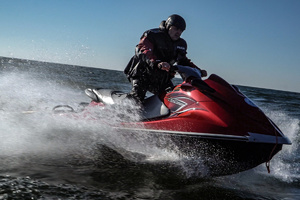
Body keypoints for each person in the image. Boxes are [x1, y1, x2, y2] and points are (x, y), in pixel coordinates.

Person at [124, 14, 207, 103]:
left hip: (161, 77)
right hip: (142, 73)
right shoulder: (152, 35)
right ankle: (118, 111)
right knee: (137, 97)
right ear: (168, 26)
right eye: (175, 28)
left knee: (172, 98)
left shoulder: (181, 44)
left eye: (181, 30)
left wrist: (198, 70)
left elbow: (183, 61)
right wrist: (157, 63)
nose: (178, 32)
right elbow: (144, 50)